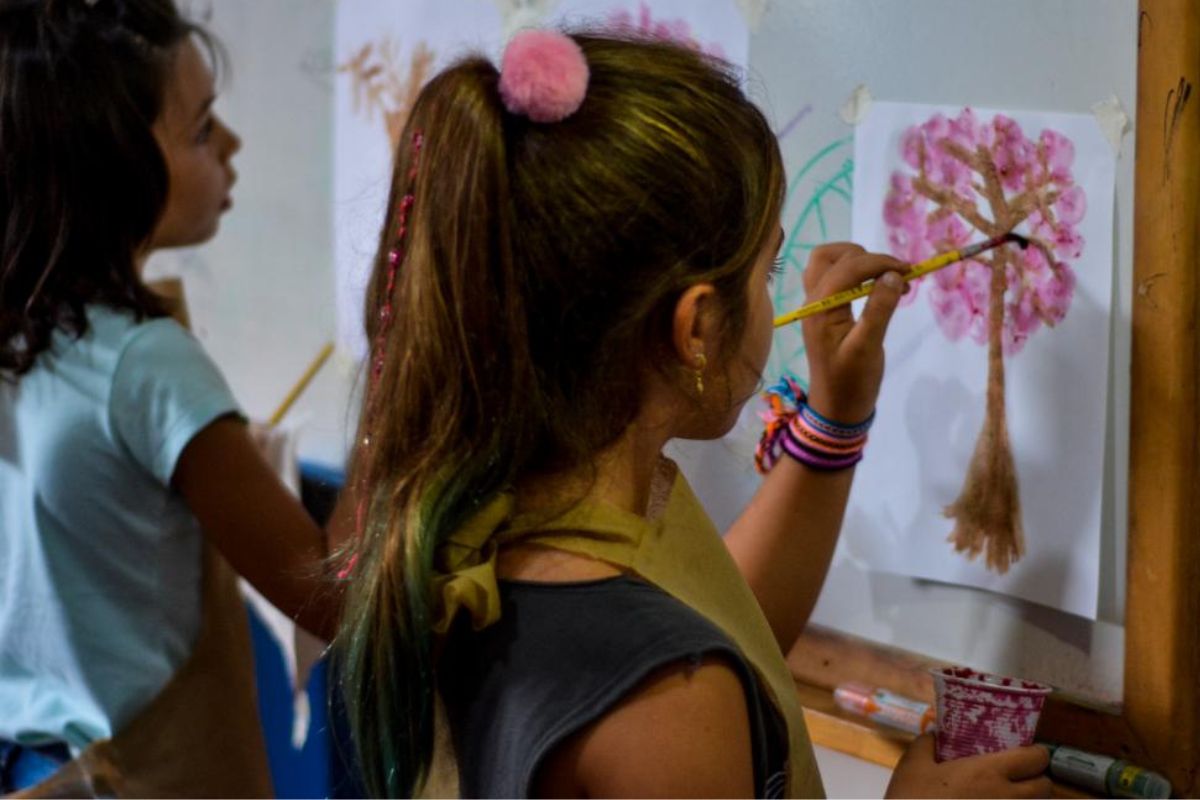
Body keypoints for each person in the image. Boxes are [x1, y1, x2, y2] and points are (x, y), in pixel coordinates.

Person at [335, 28, 1053, 799]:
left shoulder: (498, 519)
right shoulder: (667, 703)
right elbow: (677, 660)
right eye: (768, 268)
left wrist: (834, 420)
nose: (781, 292)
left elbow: (724, 622)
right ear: (699, 328)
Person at [0, 0, 339, 794]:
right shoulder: (149, 365)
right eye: (202, 129)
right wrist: (396, 395)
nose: (233, 146)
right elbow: (330, 595)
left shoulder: (24, 334)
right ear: (112, 165)